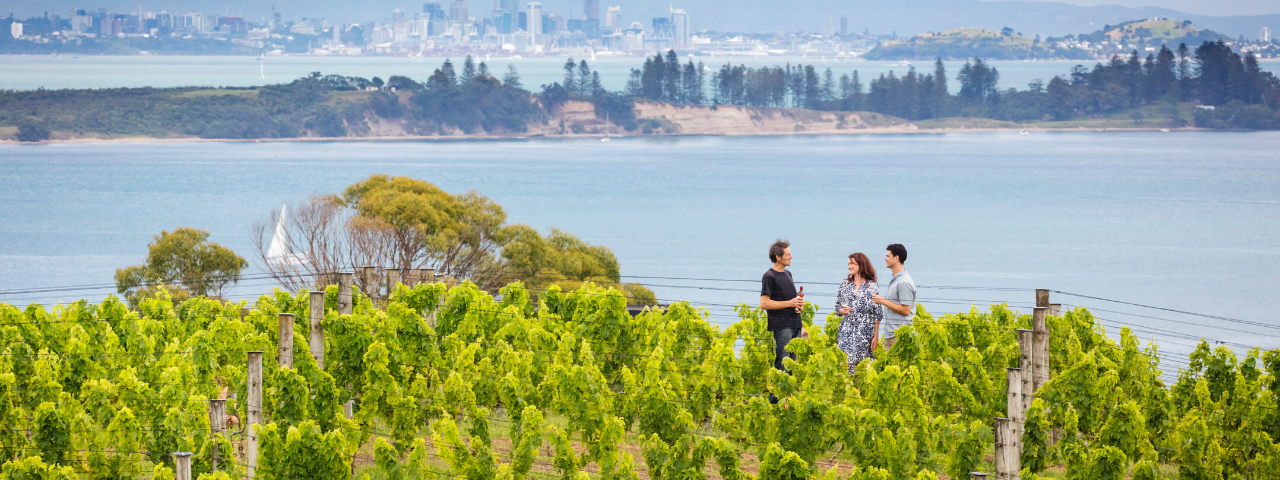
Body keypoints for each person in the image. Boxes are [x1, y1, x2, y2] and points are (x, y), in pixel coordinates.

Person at [759, 240, 806, 376]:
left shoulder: (788, 274)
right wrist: (789, 303)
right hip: (782, 327)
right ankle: (776, 397)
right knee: (782, 366)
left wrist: (801, 326)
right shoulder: (769, 276)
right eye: (788, 254)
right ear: (778, 258)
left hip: (795, 325)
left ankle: (788, 397)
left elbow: (793, 303)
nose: (791, 257)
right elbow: (764, 303)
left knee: (792, 366)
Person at [834, 252, 881, 374]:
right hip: (846, 330)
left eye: (852, 264)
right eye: (848, 264)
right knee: (843, 363)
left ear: (861, 264)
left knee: (861, 366)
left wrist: (876, 335)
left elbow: (877, 312)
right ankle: (846, 390)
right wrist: (842, 311)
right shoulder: (845, 284)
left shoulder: (872, 285)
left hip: (864, 331)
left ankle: (859, 392)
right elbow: (837, 307)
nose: (849, 266)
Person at [872, 243, 915, 350]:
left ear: (896, 258)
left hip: (898, 336)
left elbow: (906, 310)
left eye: (888, 256)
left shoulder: (904, 282)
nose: (885, 259)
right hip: (891, 334)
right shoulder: (897, 279)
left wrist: (883, 301)